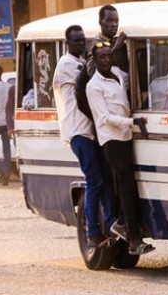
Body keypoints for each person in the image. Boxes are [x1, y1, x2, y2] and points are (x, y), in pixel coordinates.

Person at [53, 25, 120, 248]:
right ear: (67, 43)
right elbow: (83, 91)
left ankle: (111, 222)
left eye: (83, 40)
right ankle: (93, 233)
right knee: (94, 180)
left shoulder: (81, 62)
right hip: (78, 131)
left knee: (105, 178)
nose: (80, 44)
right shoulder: (66, 66)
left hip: (92, 132)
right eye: (76, 41)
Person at [86, 41, 155, 255]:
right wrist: (132, 122)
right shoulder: (94, 86)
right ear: (94, 60)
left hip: (125, 136)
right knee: (127, 187)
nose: (107, 60)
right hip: (112, 140)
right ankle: (134, 239)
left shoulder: (116, 73)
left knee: (131, 185)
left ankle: (124, 224)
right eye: (102, 57)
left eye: (109, 56)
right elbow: (105, 118)